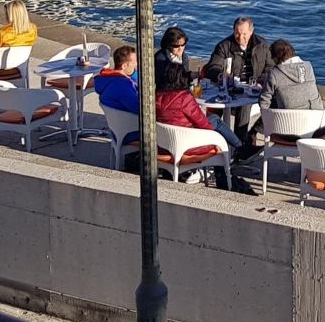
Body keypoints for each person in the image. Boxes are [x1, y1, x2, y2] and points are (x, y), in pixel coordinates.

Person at [153, 55, 253, 192]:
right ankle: (237, 154)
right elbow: (203, 125)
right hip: (189, 145)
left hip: (164, 144)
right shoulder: (184, 98)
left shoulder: (155, 97)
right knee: (216, 128)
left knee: (214, 121)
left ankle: (241, 149)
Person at [92, 45, 141, 168]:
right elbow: (140, 109)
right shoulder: (123, 86)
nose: (136, 66)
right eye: (134, 63)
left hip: (117, 129)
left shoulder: (109, 79)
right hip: (131, 132)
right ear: (124, 66)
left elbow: (133, 81)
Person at [203, 17, 269, 89]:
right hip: (232, 87)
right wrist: (221, 76)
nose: (240, 38)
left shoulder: (263, 46)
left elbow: (271, 66)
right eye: (237, 34)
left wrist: (263, 78)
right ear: (233, 31)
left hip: (256, 87)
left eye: (244, 34)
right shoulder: (223, 46)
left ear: (251, 31)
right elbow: (213, 67)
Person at [266, 39, 322, 110]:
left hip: (288, 118)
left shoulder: (275, 73)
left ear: (276, 58)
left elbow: (265, 99)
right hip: (315, 116)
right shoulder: (308, 67)